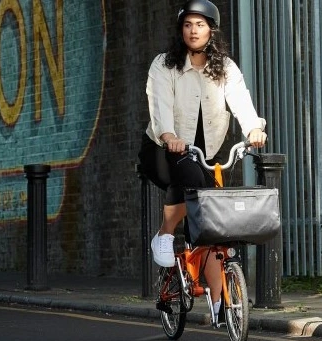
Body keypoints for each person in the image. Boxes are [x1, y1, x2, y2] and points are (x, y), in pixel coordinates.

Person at [138, 0, 267, 316]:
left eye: (200, 24)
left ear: (211, 30)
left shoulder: (225, 68)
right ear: (180, 30)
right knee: (189, 177)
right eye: (187, 25)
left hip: (202, 155)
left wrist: (253, 129)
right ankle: (164, 236)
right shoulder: (164, 65)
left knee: (211, 227)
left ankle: (221, 303)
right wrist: (169, 135)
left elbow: (241, 101)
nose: (193, 30)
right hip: (160, 150)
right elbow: (160, 106)